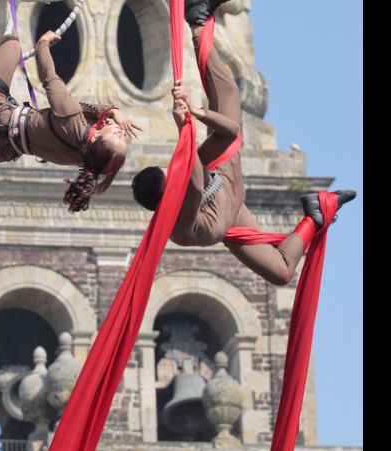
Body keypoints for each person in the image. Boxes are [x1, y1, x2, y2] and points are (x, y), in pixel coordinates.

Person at [131, 0, 356, 285]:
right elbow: (196, 185)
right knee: (282, 271)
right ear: (166, 204)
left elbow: (230, 132)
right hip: (232, 217)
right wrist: (184, 127)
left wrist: (197, 114)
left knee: (229, 95)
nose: (177, 173)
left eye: (171, 170)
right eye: (172, 180)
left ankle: (198, 23)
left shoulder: (194, 166)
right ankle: (315, 215)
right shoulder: (180, 226)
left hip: (227, 179)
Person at [0, 30, 143, 243]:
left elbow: (49, 77)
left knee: (10, 44)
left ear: (96, 141)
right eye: (122, 136)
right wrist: (112, 111)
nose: (120, 131)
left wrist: (43, 44)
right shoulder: (84, 158)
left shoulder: (71, 119)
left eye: (116, 136)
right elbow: (87, 117)